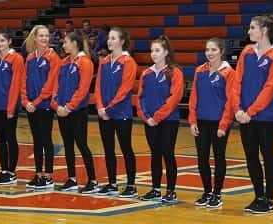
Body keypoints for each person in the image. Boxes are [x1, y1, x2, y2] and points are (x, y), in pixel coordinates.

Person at [233, 15, 273, 214]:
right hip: (244, 115)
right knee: (250, 156)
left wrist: (251, 111)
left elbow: (270, 88)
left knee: (267, 155)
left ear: (264, 30)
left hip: (266, 115)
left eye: (252, 28)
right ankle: (258, 196)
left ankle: (269, 199)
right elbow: (237, 81)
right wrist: (237, 109)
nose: (249, 31)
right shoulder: (247, 51)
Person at [188, 38, 235, 208]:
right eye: (207, 49)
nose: (210, 53)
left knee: (219, 157)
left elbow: (230, 101)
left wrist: (223, 125)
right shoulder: (199, 71)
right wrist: (192, 120)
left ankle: (217, 193)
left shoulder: (229, 72)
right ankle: (207, 191)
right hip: (201, 121)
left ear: (221, 51)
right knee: (202, 158)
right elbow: (194, 96)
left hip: (219, 123)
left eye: (214, 49)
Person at [137, 36, 184, 203]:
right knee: (155, 155)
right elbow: (141, 97)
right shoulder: (146, 74)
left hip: (169, 121)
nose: (154, 54)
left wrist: (157, 117)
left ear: (165, 52)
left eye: (157, 50)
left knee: (167, 154)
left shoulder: (175, 72)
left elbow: (174, 98)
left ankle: (171, 191)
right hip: (150, 122)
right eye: (152, 51)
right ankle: (155, 189)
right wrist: (147, 117)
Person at [94, 27, 138, 197]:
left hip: (121, 113)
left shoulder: (128, 62)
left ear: (122, 41)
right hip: (104, 113)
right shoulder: (104, 61)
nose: (109, 41)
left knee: (126, 148)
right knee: (108, 149)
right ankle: (112, 183)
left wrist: (108, 108)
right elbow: (98, 86)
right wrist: (100, 107)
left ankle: (131, 185)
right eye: (109, 38)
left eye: (113, 38)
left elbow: (125, 89)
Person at [52, 31, 98, 193]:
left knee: (82, 144)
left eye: (66, 42)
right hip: (62, 110)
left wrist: (69, 107)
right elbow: (56, 86)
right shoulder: (64, 62)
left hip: (77, 111)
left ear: (75, 44)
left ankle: (92, 180)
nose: (63, 45)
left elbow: (83, 89)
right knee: (68, 144)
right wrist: (57, 105)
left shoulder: (85, 62)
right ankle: (72, 178)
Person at [21, 25, 61, 189]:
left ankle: (49, 176)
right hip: (31, 106)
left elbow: (50, 84)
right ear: (35, 38)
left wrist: (36, 102)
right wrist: (25, 101)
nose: (44, 38)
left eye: (46, 36)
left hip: (44, 105)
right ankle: (38, 174)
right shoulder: (30, 57)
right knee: (36, 140)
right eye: (41, 36)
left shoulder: (53, 57)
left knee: (46, 139)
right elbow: (24, 80)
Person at [0, 29, 24, 185]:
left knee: (10, 138)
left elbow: (16, 85)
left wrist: (11, 107)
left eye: (2, 40)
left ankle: (12, 172)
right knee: (0, 139)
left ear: (9, 42)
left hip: (9, 106)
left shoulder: (16, 58)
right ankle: (4, 170)